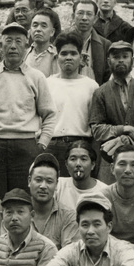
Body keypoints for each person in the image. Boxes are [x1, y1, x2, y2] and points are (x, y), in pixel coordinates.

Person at [0, 22, 57, 199]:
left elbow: (49, 114)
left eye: (18, 41)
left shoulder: (36, 77)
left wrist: (41, 144)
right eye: (8, 41)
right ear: (0, 45)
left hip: (26, 146)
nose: (13, 46)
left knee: (23, 199)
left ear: (27, 46)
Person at [90, 40, 134, 185]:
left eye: (125, 56)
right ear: (109, 61)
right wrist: (124, 130)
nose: (121, 60)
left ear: (132, 60)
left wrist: (132, 139)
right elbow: (96, 129)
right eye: (116, 57)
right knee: (108, 201)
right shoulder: (100, 93)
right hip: (111, 159)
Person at [44, 32, 98, 175]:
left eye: (73, 53)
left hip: (80, 145)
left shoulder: (91, 86)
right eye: (64, 53)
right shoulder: (47, 83)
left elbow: (94, 122)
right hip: (51, 144)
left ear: (81, 57)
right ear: (57, 57)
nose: (68, 57)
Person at [28, 153, 80, 249]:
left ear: (56, 185)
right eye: (38, 180)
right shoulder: (18, 212)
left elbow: (69, 256)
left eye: (49, 181)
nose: (43, 186)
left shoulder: (68, 216)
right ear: (29, 181)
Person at [55, 140, 108, 209]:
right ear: (66, 164)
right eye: (73, 159)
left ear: (92, 164)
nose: (78, 164)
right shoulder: (58, 185)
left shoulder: (104, 191)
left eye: (83, 159)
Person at [70, 0, 112, 84]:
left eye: (89, 14)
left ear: (95, 18)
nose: (84, 18)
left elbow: (107, 78)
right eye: (80, 13)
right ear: (73, 16)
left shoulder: (105, 44)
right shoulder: (62, 40)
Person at [23, 8, 62, 78]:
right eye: (35, 25)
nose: (38, 29)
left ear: (52, 32)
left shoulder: (58, 56)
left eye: (43, 26)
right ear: (30, 30)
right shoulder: (24, 55)